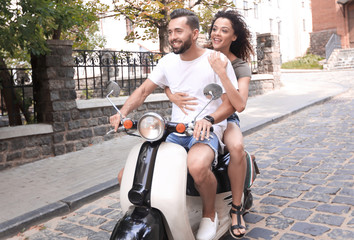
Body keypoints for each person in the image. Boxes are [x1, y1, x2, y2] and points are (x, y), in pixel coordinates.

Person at [110, 8, 238, 240]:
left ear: (194, 33)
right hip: (176, 129)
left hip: (206, 129)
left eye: (179, 31)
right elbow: (143, 91)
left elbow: (229, 104)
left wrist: (208, 119)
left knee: (198, 166)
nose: (173, 37)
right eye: (170, 32)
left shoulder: (215, 60)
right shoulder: (168, 62)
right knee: (126, 175)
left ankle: (210, 215)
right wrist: (123, 112)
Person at [164, 10, 254, 239]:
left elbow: (239, 104)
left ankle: (235, 209)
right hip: (198, 118)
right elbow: (169, 77)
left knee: (235, 147)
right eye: (215, 28)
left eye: (224, 31)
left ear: (234, 36)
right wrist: (171, 95)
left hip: (226, 116)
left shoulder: (239, 65)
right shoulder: (199, 53)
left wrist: (222, 73)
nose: (217, 34)